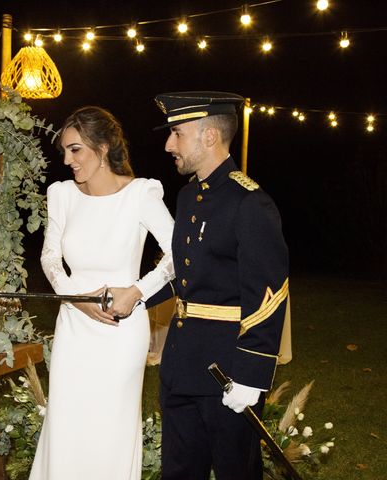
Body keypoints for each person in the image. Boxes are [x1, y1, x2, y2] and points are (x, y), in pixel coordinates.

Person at [29, 106, 175, 480]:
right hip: (74, 327)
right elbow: (50, 257)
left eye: (75, 149)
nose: (67, 160)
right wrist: (74, 298)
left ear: (104, 146)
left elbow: (179, 255)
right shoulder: (62, 195)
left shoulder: (141, 194)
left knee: (110, 426)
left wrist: (137, 291)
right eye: (64, 150)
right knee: (66, 420)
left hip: (120, 330)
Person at [150, 91, 289, 479]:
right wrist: (136, 297)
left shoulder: (250, 203)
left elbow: (269, 296)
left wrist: (250, 375)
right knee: (178, 472)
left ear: (209, 135)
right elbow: (188, 272)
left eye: (176, 133)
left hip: (227, 373)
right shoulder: (188, 196)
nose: (168, 144)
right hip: (181, 366)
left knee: (235, 473)